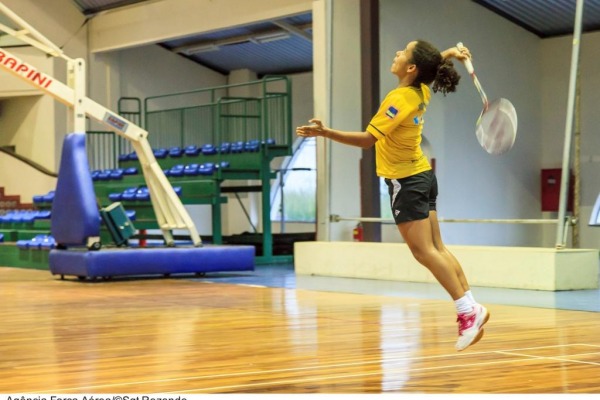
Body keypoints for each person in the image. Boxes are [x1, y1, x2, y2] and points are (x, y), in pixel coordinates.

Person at [296, 40, 489, 351]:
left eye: (403, 52)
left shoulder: (399, 98)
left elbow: (367, 140)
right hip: (424, 176)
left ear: (411, 68)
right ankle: (470, 305)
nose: (397, 53)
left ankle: (468, 311)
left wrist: (326, 132)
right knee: (437, 247)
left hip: (406, 182)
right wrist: (449, 54)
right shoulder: (421, 89)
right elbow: (428, 63)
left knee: (424, 252)